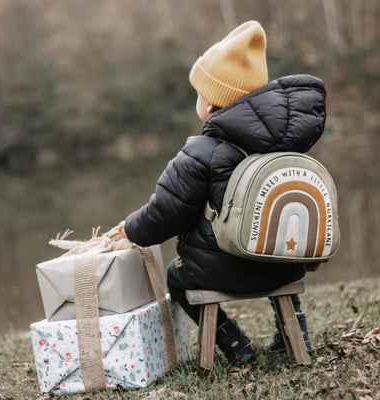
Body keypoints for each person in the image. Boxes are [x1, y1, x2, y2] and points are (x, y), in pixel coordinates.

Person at [119, 20, 326, 362]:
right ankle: (295, 331)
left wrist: (128, 230)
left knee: (176, 276)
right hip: (286, 263)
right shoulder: (288, 146)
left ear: (213, 104)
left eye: (200, 94)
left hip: (221, 272)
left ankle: (234, 344)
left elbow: (164, 214)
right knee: (274, 247)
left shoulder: (199, 153)